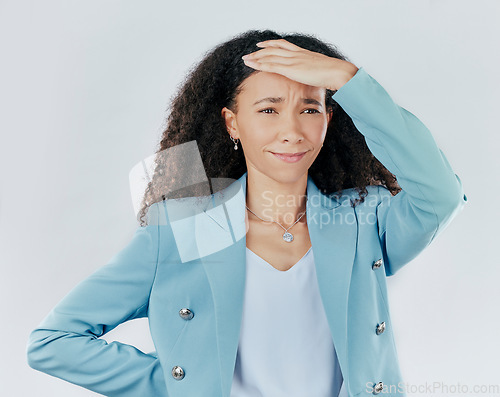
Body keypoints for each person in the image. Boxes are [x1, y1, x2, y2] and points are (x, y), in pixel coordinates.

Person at [26, 29, 467, 397]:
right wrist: (181, 382)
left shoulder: (362, 219)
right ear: (232, 122)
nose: (291, 131)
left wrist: (348, 80)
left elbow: (440, 194)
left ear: (328, 120)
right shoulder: (183, 230)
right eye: (268, 110)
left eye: (309, 109)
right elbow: (54, 343)